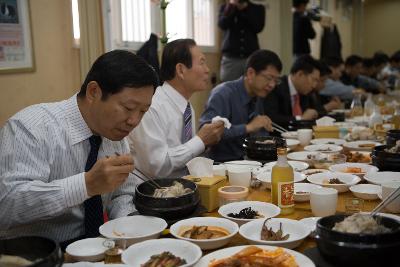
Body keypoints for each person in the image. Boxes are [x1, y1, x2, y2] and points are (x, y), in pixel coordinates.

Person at [0, 50, 159, 247]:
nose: (134, 121)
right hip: (37, 254)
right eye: (128, 108)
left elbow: (121, 194)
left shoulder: (115, 134)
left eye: (143, 111)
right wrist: (86, 185)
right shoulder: (32, 128)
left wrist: (132, 228)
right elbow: (6, 205)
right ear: (94, 92)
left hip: (98, 248)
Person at [128, 39, 225, 179]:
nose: (207, 69)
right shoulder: (152, 106)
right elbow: (157, 166)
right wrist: (200, 140)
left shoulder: (187, 107)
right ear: (181, 70)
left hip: (182, 188)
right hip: (153, 192)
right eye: (202, 62)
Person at [199, 50, 282, 162]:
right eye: (269, 78)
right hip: (221, 166)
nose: (272, 85)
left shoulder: (258, 94)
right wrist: (248, 127)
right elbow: (206, 134)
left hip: (249, 162)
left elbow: (257, 133)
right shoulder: (223, 94)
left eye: (276, 80)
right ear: (251, 73)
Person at [261, 55, 320, 129]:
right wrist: (300, 118)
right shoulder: (276, 87)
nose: (314, 85)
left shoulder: (306, 92)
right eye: (314, 79)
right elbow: (272, 118)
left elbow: (315, 111)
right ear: (300, 74)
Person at [218, 0, 265, 82]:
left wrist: (245, 9)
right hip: (231, 58)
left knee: (252, 88)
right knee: (228, 89)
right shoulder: (226, 7)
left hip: (251, 58)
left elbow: (258, 27)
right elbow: (222, 25)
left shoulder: (258, 8)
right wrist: (232, 7)